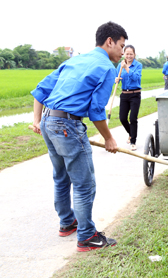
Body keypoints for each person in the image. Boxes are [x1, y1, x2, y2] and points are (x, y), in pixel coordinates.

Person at [30, 21, 127, 251]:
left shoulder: (74, 60)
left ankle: (67, 222)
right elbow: (96, 111)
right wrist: (109, 138)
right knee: (84, 184)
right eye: (122, 46)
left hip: (48, 121)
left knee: (61, 177)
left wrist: (36, 121)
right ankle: (86, 236)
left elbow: (41, 89)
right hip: (67, 126)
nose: (123, 52)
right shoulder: (106, 68)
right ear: (109, 41)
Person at [115, 45, 142, 151]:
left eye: (131, 54)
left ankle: (133, 141)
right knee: (122, 118)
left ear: (134, 54)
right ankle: (131, 134)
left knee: (133, 118)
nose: (129, 56)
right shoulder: (119, 65)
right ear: (124, 54)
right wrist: (116, 79)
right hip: (124, 95)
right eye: (127, 54)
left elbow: (135, 78)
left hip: (135, 94)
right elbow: (118, 77)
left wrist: (126, 68)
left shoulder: (138, 65)